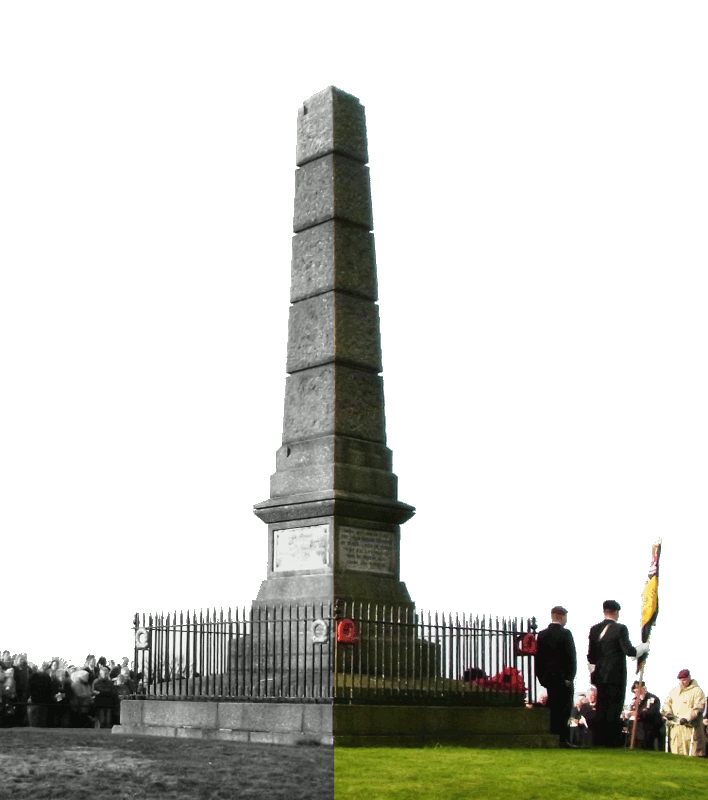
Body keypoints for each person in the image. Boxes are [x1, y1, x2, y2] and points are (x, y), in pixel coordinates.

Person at [587, 600, 649, 747]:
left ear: (604, 611)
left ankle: (598, 741)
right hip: (615, 676)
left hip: (600, 676)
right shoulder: (620, 629)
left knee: (601, 708)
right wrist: (643, 648)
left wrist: (594, 673)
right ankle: (611, 741)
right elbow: (629, 651)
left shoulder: (594, 630)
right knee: (614, 709)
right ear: (616, 612)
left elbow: (591, 656)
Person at [535, 605, 577, 748]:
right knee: (564, 708)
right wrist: (569, 678)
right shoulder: (566, 634)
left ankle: (552, 735)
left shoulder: (541, 635)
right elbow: (571, 658)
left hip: (548, 678)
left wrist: (541, 678)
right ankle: (562, 739)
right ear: (562, 617)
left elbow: (538, 659)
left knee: (552, 707)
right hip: (562, 678)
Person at [662, 669, 706, 756]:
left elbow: (698, 708)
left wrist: (687, 718)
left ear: (689, 678)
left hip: (691, 729)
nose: (682, 682)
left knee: (692, 754)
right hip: (676, 729)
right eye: (680, 680)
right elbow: (667, 703)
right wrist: (668, 713)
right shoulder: (674, 691)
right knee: (676, 755)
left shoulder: (697, 691)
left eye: (684, 680)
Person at [623, 681, 663, 750]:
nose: (636, 694)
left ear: (643, 689)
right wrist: (628, 715)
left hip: (646, 732)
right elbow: (632, 711)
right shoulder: (634, 700)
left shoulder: (652, 699)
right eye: (634, 692)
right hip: (634, 731)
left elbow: (652, 713)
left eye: (637, 692)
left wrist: (638, 714)